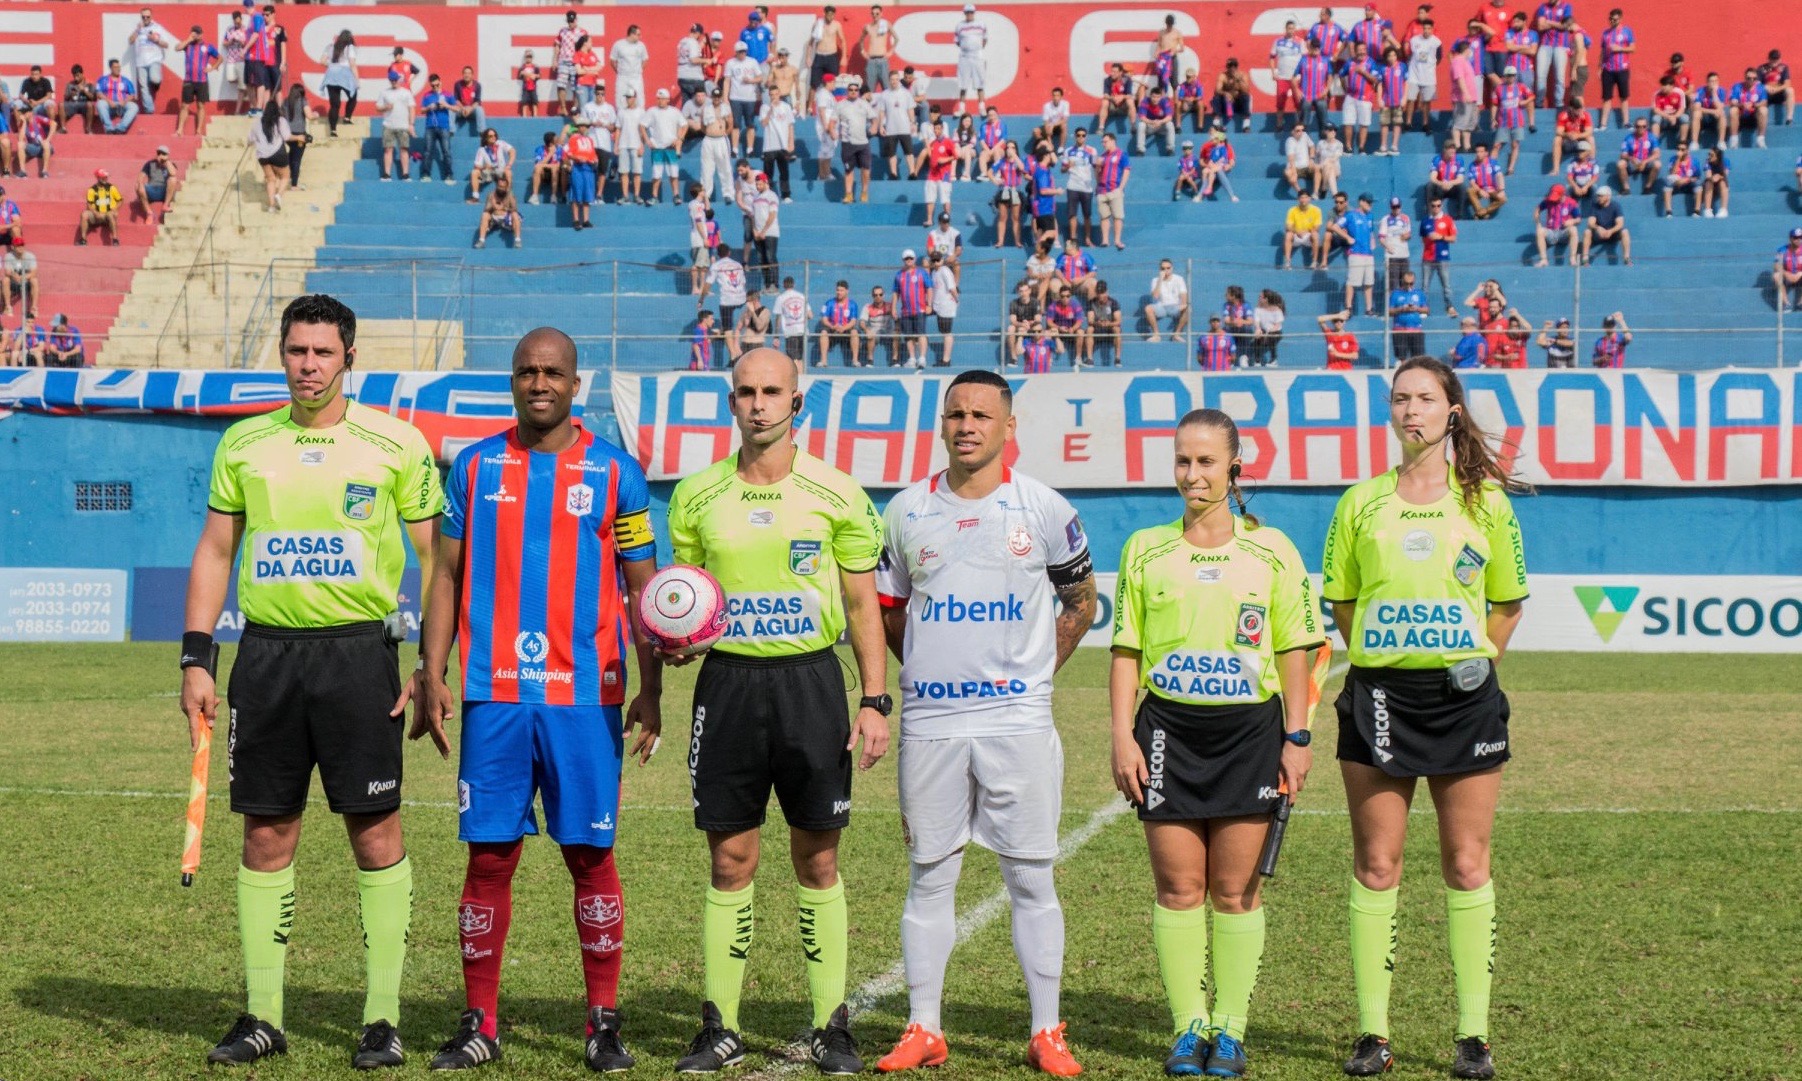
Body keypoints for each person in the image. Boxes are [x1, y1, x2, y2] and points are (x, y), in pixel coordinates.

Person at [181, 294, 441, 1069]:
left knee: (376, 831)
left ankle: (382, 1018)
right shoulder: (244, 443)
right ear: (283, 354)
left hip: (360, 657)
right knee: (266, 832)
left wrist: (432, 664)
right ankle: (263, 1014)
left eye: (323, 352)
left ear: (349, 358)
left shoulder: (396, 444)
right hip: (265, 657)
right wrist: (198, 657)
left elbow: (439, 563)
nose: (308, 365)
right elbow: (214, 554)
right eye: (296, 351)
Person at [416, 328, 659, 1073]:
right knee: (489, 855)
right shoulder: (474, 465)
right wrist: (431, 671)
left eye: (553, 371)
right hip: (493, 693)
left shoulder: (618, 472)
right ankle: (480, 1020)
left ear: (574, 382)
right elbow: (446, 577)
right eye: (527, 371)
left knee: (591, 853)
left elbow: (643, 587)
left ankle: (604, 1021)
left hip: (587, 699)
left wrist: (654, 688)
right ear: (512, 380)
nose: (540, 382)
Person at [663, 346, 887, 1075]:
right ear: (732, 401)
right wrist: (677, 639)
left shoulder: (838, 493)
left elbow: (862, 604)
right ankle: (719, 1024)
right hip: (726, 685)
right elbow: (688, 600)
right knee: (730, 859)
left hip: (811, 685)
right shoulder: (695, 496)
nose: (758, 404)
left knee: (817, 857)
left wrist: (877, 699)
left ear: (798, 401)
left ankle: (832, 1024)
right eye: (745, 392)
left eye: (772, 392)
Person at [872, 369, 1094, 1078]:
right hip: (931, 724)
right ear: (942, 424)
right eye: (956, 413)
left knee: (1031, 876)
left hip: (1018, 723)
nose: (967, 424)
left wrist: (1034, 674)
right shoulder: (905, 511)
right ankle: (923, 1027)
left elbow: (1079, 601)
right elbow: (890, 609)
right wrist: (933, 667)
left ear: (1007, 427)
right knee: (929, 875)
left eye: (981, 414)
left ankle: (1046, 1031)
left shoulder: (1046, 509)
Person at [1322, 361, 1527, 1078]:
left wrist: (1481, 661)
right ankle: (1373, 1032)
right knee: (1378, 863)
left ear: (1452, 411)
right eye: (1401, 398)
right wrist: (1380, 653)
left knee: (1467, 862)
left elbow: (1508, 601)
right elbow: (1343, 601)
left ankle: (1474, 1033)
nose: (1412, 410)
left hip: (1463, 699)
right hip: (1378, 695)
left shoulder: (1489, 504)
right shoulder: (1360, 503)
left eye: (1425, 398)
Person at [1109, 406, 1323, 1079]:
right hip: (1167, 729)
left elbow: (1295, 650)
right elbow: (1125, 650)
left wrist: (1297, 735)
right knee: (1178, 887)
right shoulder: (1145, 547)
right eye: (1182, 459)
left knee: (1235, 891)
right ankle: (1186, 1028)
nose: (1192, 473)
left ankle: (1228, 1030)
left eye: (1206, 461)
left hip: (1251, 734)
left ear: (1236, 465)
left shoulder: (1273, 550)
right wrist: (1122, 733)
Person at [1329, 192, 1377, 316]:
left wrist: (1372, 241)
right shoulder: (1351, 215)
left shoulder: (1370, 216)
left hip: (1368, 254)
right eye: (1368, 202)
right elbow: (1335, 226)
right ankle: (1349, 307)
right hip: (1356, 252)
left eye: (1371, 202)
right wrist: (1347, 237)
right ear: (1361, 202)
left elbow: (1371, 232)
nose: (1370, 205)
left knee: (1369, 282)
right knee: (1352, 281)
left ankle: (1369, 309)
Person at [173, 25, 220, 138]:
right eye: (194, 33)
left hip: (202, 81)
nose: (196, 35)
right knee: (184, 105)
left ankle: (198, 131)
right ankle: (179, 130)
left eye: (198, 33)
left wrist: (212, 68)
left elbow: (220, 58)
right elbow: (177, 48)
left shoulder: (208, 46)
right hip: (189, 80)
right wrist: (189, 39)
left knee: (201, 106)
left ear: (202, 34)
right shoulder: (188, 45)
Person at [837, 81, 876, 203]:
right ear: (847, 91)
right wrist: (833, 131)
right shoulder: (841, 105)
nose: (853, 92)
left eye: (855, 90)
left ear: (858, 92)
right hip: (847, 142)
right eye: (851, 90)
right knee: (849, 170)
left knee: (866, 169)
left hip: (863, 142)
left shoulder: (864, 104)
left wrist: (874, 127)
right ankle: (849, 194)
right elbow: (833, 120)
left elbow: (874, 118)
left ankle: (864, 192)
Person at [894, 250, 934, 367]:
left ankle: (922, 358)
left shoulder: (921, 273)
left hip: (920, 309)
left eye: (911, 258)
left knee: (921, 333)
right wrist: (894, 308)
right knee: (908, 335)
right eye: (907, 259)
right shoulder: (899, 275)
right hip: (906, 310)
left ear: (915, 259)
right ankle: (912, 358)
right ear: (903, 260)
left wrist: (929, 305)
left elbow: (930, 288)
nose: (909, 260)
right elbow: (896, 292)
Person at [1420, 198, 1458, 317]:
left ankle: (1450, 307)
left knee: (1446, 285)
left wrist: (1440, 237)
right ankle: (1424, 308)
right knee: (1425, 285)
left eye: (1438, 205)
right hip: (1428, 257)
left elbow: (1453, 238)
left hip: (1443, 257)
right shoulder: (1425, 221)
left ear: (1441, 206)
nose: (1436, 208)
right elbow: (1423, 237)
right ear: (1430, 206)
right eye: (1433, 205)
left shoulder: (1448, 220)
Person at [1061, 129, 1098, 246]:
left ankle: (1087, 238)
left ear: (1086, 137)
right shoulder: (1068, 151)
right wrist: (1067, 167)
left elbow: (1096, 168)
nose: (1081, 137)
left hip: (1086, 187)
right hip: (1073, 185)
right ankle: (1073, 239)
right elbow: (1062, 169)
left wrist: (1098, 184)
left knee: (1087, 214)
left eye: (1083, 135)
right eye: (1078, 135)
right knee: (1072, 214)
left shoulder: (1092, 150)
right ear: (1075, 137)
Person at [1404, 18, 1441, 132]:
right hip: (1414, 75)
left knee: (1427, 101)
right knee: (1410, 99)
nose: (1426, 30)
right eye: (1424, 28)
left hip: (1429, 77)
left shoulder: (1437, 42)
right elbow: (1409, 54)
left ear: (1432, 29)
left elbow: (1439, 58)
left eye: (1429, 28)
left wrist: (1429, 67)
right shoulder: (1414, 40)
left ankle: (1425, 123)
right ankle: (1408, 122)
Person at [375, 73, 414, 182]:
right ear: (389, 80)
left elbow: (412, 108)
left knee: (404, 149)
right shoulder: (384, 93)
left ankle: (405, 174)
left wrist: (411, 124)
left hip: (403, 125)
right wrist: (386, 107)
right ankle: (387, 174)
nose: (394, 82)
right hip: (388, 125)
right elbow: (378, 108)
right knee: (388, 149)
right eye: (392, 80)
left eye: (395, 80)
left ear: (399, 80)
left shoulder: (406, 93)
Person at [1096, 133, 1131, 251]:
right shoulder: (1103, 156)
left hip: (1114, 188)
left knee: (1117, 216)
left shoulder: (1122, 154)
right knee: (1104, 216)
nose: (1103, 144)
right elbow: (1098, 175)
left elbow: (1126, 170)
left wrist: (1121, 188)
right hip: (1102, 190)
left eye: (1105, 141)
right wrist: (1097, 167)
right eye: (1102, 142)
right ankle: (1105, 240)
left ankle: (1117, 240)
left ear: (1112, 141)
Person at [320, 31, 358, 137]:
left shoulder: (330, 46)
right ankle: (347, 118)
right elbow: (352, 64)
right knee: (353, 96)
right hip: (345, 74)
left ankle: (333, 130)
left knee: (334, 105)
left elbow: (322, 61)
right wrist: (357, 80)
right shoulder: (350, 47)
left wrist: (332, 65)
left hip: (331, 75)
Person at [1143, 260, 1191, 344]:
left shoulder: (1179, 279)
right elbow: (1155, 296)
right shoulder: (1155, 280)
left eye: (1168, 268)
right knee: (1148, 308)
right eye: (1163, 268)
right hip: (1161, 306)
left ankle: (1177, 334)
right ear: (1160, 269)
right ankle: (1156, 335)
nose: (1166, 270)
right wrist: (1160, 280)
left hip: (1175, 306)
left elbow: (1184, 297)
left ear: (1172, 268)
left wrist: (1183, 306)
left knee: (1188, 309)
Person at [952, 3, 988, 115]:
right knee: (963, 83)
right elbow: (957, 41)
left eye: (971, 12)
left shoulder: (981, 24)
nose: (969, 14)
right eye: (967, 12)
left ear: (974, 13)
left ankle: (982, 107)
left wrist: (976, 48)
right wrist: (966, 48)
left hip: (977, 56)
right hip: (964, 56)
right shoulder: (959, 26)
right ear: (964, 13)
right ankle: (962, 108)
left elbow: (984, 40)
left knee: (980, 83)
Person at [1271, 20, 1307, 130]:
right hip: (1282, 76)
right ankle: (1279, 124)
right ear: (1285, 29)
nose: (1291, 30)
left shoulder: (1300, 42)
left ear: (1295, 29)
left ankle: (1299, 123)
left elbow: (1305, 59)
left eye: (1293, 28)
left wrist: (1302, 75)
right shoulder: (1278, 42)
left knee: (1298, 101)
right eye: (1289, 28)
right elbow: (1272, 57)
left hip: (1296, 77)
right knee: (1280, 101)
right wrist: (1273, 72)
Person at [564, 117, 600, 229]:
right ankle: (575, 219)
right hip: (578, 168)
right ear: (578, 128)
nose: (583, 128)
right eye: (581, 126)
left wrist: (595, 160)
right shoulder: (573, 139)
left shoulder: (590, 140)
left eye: (585, 126)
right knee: (576, 193)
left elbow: (593, 154)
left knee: (587, 194)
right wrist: (578, 158)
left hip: (588, 169)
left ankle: (586, 220)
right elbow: (569, 153)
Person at [1581, 186, 1630, 266]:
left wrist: (1611, 231)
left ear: (1608, 196)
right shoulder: (1595, 206)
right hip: (1599, 234)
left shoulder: (1616, 206)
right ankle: (1585, 259)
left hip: (1612, 233)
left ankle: (1626, 258)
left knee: (1625, 231)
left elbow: (1620, 223)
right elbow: (1590, 222)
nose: (1598, 198)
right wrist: (1598, 228)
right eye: (1598, 196)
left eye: (1601, 196)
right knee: (1587, 232)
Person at [817, 279, 862, 367]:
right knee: (823, 333)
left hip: (846, 329)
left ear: (847, 291)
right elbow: (824, 319)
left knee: (854, 332)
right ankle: (823, 361)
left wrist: (844, 328)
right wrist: (832, 326)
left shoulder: (853, 304)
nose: (839, 292)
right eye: (837, 290)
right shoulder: (829, 303)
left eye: (841, 290)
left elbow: (853, 321)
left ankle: (855, 361)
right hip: (833, 328)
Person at [1533, 184, 1580, 266]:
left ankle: (1572, 259)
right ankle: (1544, 260)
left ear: (1562, 195)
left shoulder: (1571, 203)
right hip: (1551, 231)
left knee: (1573, 229)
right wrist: (1538, 223)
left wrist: (1572, 221)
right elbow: (1537, 210)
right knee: (1540, 231)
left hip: (1563, 232)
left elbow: (1578, 219)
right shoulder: (1548, 201)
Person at [926, 250, 959, 366]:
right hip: (938, 305)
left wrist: (956, 299)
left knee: (947, 332)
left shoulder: (945, 271)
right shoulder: (934, 272)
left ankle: (946, 359)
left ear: (942, 260)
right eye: (933, 260)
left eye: (938, 260)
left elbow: (952, 287)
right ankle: (945, 359)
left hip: (946, 305)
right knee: (943, 331)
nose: (936, 262)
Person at [1294, 39, 1334, 136]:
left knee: (1322, 108)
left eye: (1318, 47)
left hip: (1320, 94)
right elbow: (1294, 77)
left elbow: (1330, 76)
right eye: (1314, 47)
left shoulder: (1325, 60)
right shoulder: (1303, 60)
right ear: (1310, 47)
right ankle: (1303, 138)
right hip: (1306, 94)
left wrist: (1326, 89)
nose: (1316, 49)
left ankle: (1324, 139)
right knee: (1305, 110)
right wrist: (1297, 90)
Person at [749, 172, 781, 291]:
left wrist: (764, 231)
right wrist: (755, 231)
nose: (758, 187)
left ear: (766, 182)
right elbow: (752, 216)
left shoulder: (772, 196)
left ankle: (774, 284)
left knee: (770, 257)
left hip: (770, 233)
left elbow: (772, 215)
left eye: (760, 184)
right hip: (758, 233)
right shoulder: (756, 198)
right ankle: (767, 284)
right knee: (762, 259)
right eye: (756, 184)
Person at [472, 174, 522, 250]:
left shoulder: (510, 195)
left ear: (506, 187)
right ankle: (481, 240)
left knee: (515, 215)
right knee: (485, 215)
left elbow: (514, 208)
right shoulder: (491, 195)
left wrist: (504, 208)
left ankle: (517, 240)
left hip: (506, 218)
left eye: (503, 187)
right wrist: (493, 206)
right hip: (494, 217)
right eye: (499, 186)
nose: (501, 188)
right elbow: (486, 209)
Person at [1387, 269, 1428, 359]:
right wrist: (1402, 309)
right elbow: (1389, 311)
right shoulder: (1396, 294)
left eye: (1411, 283)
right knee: (1402, 358)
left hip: (1416, 329)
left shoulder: (1419, 293)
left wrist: (1417, 308)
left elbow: (1426, 309)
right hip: (1400, 329)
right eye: (1406, 283)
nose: (1408, 285)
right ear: (1402, 281)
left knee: (1418, 358)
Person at [1447, 40, 1481, 150]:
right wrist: (1465, 93)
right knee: (1459, 123)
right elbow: (1459, 78)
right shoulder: (1458, 61)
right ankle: (1457, 145)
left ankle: (1467, 146)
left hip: (1471, 98)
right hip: (1462, 98)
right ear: (1466, 50)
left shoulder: (1466, 62)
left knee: (1469, 124)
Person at [806, 5, 848, 91]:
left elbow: (843, 41)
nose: (830, 17)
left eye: (832, 15)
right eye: (829, 14)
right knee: (814, 83)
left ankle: (833, 103)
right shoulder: (818, 24)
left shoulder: (837, 25)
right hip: (819, 56)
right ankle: (810, 105)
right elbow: (811, 42)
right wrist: (808, 57)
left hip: (831, 56)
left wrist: (844, 57)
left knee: (833, 82)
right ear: (824, 13)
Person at [1726, 68, 1769, 148]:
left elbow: (1764, 102)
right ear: (1745, 78)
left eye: (1754, 78)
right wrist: (1742, 105)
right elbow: (1732, 101)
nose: (1751, 80)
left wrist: (1754, 105)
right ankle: (1734, 140)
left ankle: (1760, 139)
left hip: (1754, 116)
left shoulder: (1761, 88)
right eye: (1749, 78)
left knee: (1764, 110)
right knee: (1733, 110)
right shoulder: (1737, 87)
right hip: (1741, 116)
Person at [134, 146, 177, 223]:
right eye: (159, 153)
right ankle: (149, 213)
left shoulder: (170, 164)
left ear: (167, 155)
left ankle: (165, 205)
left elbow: (173, 173)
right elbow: (140, 178)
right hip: (151, 189)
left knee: (173, 179)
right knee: (138, 185)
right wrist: (140, 185)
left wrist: (166, 161)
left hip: (164, 190)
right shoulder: (150, 163)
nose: (160, 155)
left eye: (163, 153)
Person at [774, 277, 811, 364]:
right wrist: (801, 319)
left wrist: (776, 336)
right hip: (802, 330)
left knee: (793, 359)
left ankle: (797, 376)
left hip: (790, 331)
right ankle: (802, 376)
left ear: (783, 285)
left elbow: (778, 319)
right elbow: (810, 315)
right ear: (794, 285)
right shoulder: (802, 296)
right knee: (800, 358)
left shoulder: (781, 298)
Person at [1548, 100, 1592, 173]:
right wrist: (1567, 134)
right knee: (1557, 139)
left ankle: (1591, 167)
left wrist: (1578, 135)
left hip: (1580, 141)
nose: (1579, 113)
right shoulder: (1563, 115)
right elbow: (1558, 131)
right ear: (1571, 109)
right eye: (1577, 111)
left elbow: (1589, 131)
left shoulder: (1585, 115)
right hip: (1568, 142)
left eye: (1580, 110)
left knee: (1591, 139)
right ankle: (1556, 169)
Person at [96, 60, 139, 135]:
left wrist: (124, 102)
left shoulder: (126, 81)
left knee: (134, 107)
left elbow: (132, 95)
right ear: (110, 68)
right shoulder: (103, 80)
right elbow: (98, 93)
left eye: (119, 67)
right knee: (100, 104)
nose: (118, 69)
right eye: (115, 67)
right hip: (109, 105)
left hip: (122, 105)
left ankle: (120, 129)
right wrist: (109, 101)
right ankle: (109, 129)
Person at [1464, 145, 1506, 220]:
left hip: (1492, 189)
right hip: (1480, 189)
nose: (1478, 154)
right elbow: (1472, 182)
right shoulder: (1472, 165)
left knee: (1503, 198)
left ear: (1486, 153)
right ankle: (1481, 211)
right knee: (1470, 190)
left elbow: (1499, 175)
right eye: (1477, 152)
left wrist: (1502, 190)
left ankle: (1481, 213)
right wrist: (1480, 191)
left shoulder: (1492, 162)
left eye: (1481, 152)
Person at [1246, 289, 1285, 368]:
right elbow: (1256, 321)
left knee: (1272, 337)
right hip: (1264, 331)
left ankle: (1274, 359)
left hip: (1276, 332)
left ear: (1266, 299)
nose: (1259, 298)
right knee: (1258, 337)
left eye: (1260, 297)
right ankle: (1257, 361)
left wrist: (1269, 332)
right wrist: (1258, 329)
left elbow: (1277, 325)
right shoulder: (1257, 309)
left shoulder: (1277, 310)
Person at [860, 284, 896, 366]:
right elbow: (862, 323)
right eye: (875, 295)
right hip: (874, 330)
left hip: (887, 330)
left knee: (896, 335)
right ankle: (870, 360)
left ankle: (895, 360)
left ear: (883, 295)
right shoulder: (867, 307)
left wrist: (897, 327)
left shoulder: (890, 306)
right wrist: (867, 330)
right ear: (872, 296)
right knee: (870, 334)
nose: (878, 297)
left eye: (880, 294)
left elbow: (896, 318)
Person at [1096, 64, 1136, 137]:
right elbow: (1105, 95)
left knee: (1130, 100)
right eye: (1112, 71)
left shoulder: (1127, 80)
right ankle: (1101, 128)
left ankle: (1133, 126)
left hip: (1123, 107)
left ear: (1120, 72)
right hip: (1112, 106)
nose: (1112, 73)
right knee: (1105, 101)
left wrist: (1122, 97)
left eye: (1115, 72)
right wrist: (1113, 98)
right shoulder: (1107, 80)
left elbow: (1130, 94)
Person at [862, 6, 896, 91]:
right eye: (873, 13)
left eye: (877, 13)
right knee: (869, 89)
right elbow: (860, 40)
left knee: (887, 89)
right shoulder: (868, 27)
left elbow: (897, 38)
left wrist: (891, 52)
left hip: (883, 60)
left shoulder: (886, 24)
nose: (875, 15)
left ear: (881, 14)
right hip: (871, 61)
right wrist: (863, 52)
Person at [2, 236, 37, 321]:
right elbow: (7, 271)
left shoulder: (30, 256)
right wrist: (15, 276)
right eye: (18, 245)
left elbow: (34, 272)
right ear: (13, 247)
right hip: (14, 281)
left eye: (22, 245)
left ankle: (33, 308)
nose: (21, 247)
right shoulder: (8, 256)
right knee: (5, 280)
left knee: (34, 280)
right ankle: (8, 307)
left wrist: (22, 277)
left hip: (26, 280)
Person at [1198, 129, 1238, 203]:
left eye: (1214, 138)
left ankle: (1231, 195)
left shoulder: (1224, 147)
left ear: (1218, 140)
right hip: (1214, 166)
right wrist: (1210, 164)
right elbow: (1210, 159)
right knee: (1204, 171)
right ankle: (1203, 189)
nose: (1212, 139)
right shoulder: (1212, 149)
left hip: (1221, 165)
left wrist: (1229, 165)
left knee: (1217, 171)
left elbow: (1224, 158)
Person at [1136, 86, 1177, 156]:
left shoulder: (1165, 101)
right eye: (1153, 97)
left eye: (1158, 97)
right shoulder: (1145, 101)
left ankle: (1170, 149)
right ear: (1150, 96)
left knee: (1170, 124)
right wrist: (1152, 122)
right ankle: (1140, 150)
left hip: (1161, 126)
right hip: (1150, 126)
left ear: (1161, 97)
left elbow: (1169, 117)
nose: (1155, 99)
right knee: (1141, 125)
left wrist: (1160, 122)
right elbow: (1142, 117)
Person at [1699, 146, 1731, 218]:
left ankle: (1723, 210)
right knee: (1708, 182)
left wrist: (1719, 176)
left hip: (1720, 184)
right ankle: (1707, 210)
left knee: (1722, 182)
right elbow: (1708, 176)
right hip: (1710, 185)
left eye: (1711, 155)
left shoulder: (1726, 161)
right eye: (1709, 154)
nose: (1709, 156)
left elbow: (1725, 175)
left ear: (1717, 156)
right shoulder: (1707, 162)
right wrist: (1713, 178)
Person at [1775, 228, 1802, 312]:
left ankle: (1801, 304)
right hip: (1788, 277)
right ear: (1790, 238)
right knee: (1776, 276)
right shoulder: (1782, 250)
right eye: (1795, 237)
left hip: (1800, 276)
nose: (1798, 240)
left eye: (1800, 237)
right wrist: (1786, 273)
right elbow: (1776, 265)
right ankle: (1786, 303)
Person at [515, 50, 542, 119]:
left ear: (532, 58)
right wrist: (526, 74)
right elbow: (520, 75)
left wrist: (535, 76)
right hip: (525, 87)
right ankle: (524, 115)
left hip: (533, 86)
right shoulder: (523, 67)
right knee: (524, 101)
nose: (528, 59)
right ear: (525, 57)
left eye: (530, 57)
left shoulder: (535, 67)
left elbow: (539, 75)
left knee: (534, 101)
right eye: (527, 57)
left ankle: (535, 115)